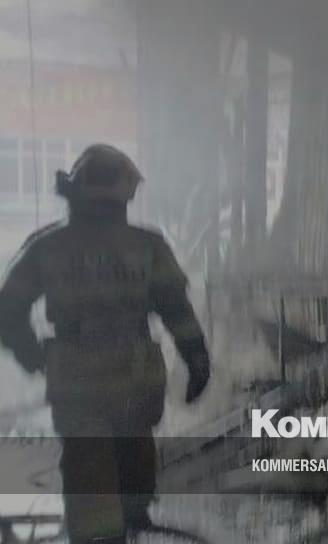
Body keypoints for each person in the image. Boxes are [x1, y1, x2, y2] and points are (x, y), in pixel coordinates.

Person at [0, 144, 210, 543]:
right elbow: (176, 309)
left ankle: (104, 533)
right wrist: (197, 358)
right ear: (126, 193)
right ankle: (128, 521)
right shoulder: (148, 247)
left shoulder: (49, 246)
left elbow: (7, 310)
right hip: (135, 374)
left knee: (88, 464)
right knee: (133, 456)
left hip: (77, 377)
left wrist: (33, 355)